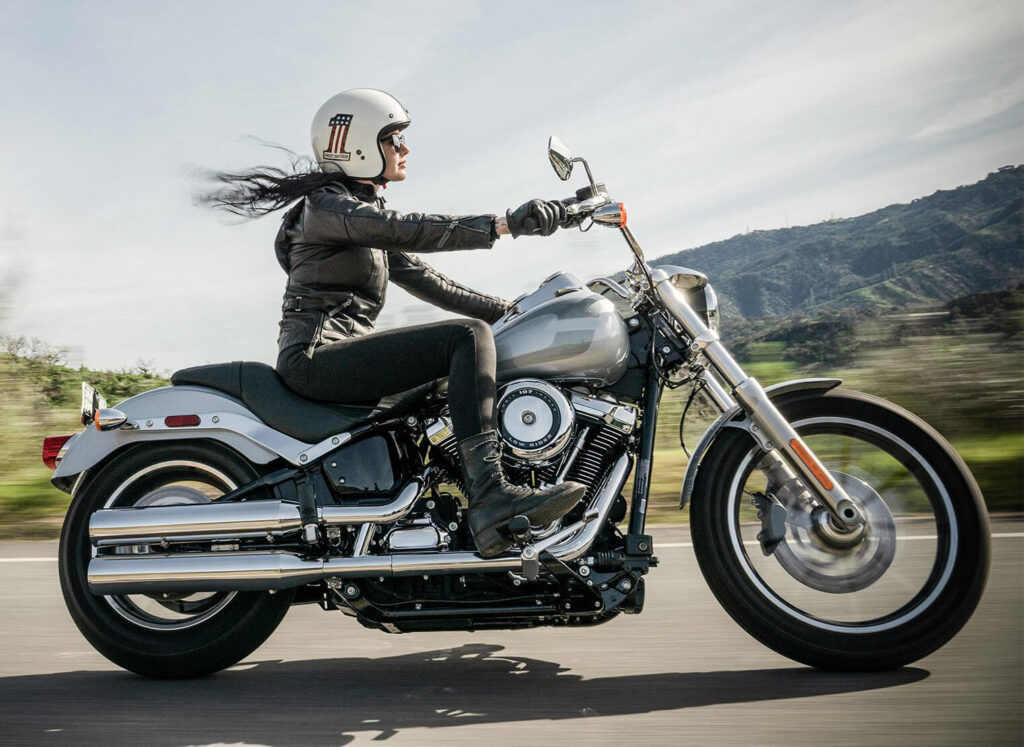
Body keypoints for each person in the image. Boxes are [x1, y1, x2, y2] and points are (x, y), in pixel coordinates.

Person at [204, 88, 586, 557]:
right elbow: (408, 228)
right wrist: (503, 223)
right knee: (465, 338)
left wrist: (518, 312)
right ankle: (490, 498)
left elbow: (432, 283)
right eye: (394, 140)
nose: (405, 150)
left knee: (466, 355)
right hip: (316, 359)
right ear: (358, 145)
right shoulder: (328, 208)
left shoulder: (358, 217)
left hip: (340, 353)